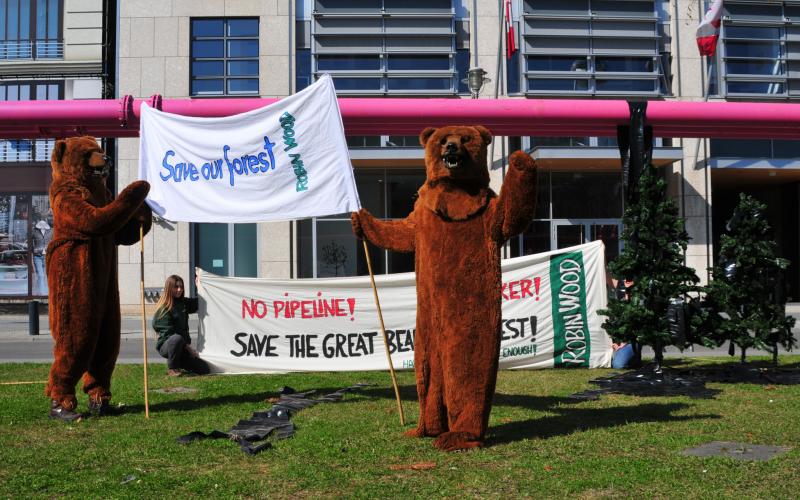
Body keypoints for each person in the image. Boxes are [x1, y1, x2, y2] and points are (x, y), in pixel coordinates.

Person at [152, 275, 210, 376]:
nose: (179, 290)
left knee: (204, 369)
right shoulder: (164, 307)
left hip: (183, 348)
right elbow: (169, 335)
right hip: (168, 346)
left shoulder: (183, 303)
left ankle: (179, 362)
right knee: (176, 339)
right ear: (169, 288)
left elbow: (199, 302)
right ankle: (172, 368)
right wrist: (190, 349)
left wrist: (199, 286)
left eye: (181, 287)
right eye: (176, 287)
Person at [32, 220, 51, 295]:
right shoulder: (34, 231)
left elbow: (53, 241)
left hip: (47, 256)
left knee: (47, 275)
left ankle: (48, 292)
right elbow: (29, 242)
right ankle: (42, 293)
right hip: (37, 256)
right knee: (40, 275)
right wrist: (34, 249)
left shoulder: (51, 231)